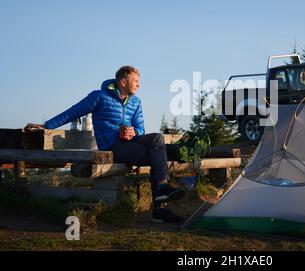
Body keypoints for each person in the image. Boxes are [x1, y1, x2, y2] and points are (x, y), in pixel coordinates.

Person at [25, 66, 185, 224]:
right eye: (135, 81)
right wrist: (47, 125)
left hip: (130, 142)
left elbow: (141, 128)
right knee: (156, 156)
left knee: (157, 138)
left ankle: (162, 190)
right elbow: (73, 111)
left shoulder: (136, 102)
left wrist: (133, 132)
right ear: (123, 81)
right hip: (112, 145)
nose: (138, 84)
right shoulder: (99, 96)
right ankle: (160, 210)